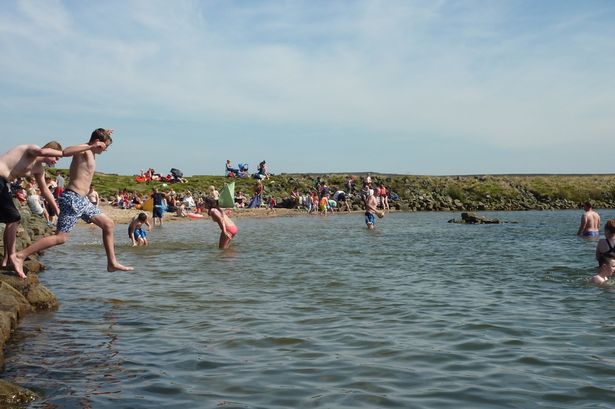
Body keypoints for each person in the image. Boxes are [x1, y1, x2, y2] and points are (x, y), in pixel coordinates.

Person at [13, 128, 134, 278]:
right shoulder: (84, 150)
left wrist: (104, 134)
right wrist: (92, 145)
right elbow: (66, 151)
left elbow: (96, 139)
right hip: (72, 198)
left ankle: (112, 263)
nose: (106, 150)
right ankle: (20, 255)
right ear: (97, 142)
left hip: (82, 200)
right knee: (61, 238)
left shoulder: (91, 152)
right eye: (106, 146)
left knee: (108, 224)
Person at [0, 141, 63, 276]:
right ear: (50, 150)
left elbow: (45, 191)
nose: (57, 161)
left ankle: (7, 259)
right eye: (56, 157)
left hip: (4, 184)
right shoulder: (31, 149)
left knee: (13, 218)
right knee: (13, 218)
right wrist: (66, 153)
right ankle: (12, 257)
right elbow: (41, 152)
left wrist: (58, 211)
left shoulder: (39, 169)